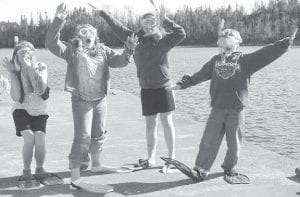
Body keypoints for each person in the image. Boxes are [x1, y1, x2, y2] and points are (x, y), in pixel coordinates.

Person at [171, 19, 297, 181]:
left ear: (237, 44)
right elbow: (199, 75)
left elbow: (266, 54)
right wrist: (183, 84)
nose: (224, 49)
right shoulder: (215, 60)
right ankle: (201, 169)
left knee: (234, 143)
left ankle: (229, 167)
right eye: (222, 45)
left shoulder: (246, 61)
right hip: (217, 109)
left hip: (236, 110)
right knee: (208, 141)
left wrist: (284, 43)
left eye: (228, 46)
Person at [45, 2, 138, 190]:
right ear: (79, 36)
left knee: (98, 134)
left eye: (91, 32)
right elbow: (50, 43)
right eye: (84, 32)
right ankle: (75, 178)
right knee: (82, 137)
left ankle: (96, 166)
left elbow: (120, 62)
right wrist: (59, 20)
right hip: (81, 100)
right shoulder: (71, 50)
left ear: (96, 36)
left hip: (100, 99)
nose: (88, 34)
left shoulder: (103, 50)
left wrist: (129, 50)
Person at [93, 4, 186, 173]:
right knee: (150, 125)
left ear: (156, 23)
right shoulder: (134, 38)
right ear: (141, 23)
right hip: (146, 89)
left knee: (167, 122)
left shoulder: (164, 39)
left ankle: (171, 159)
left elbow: (181, 33)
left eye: (152, 21)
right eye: (145, 21)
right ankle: (151, 158)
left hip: (164, 88)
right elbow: (116, 26)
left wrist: (166, 20)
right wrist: (104, 13)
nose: (149, 24)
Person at [2, 41, 51, 186]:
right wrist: (12, 73)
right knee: (29, 138)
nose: (25, 56)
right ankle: (26, 170)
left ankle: (40, 168)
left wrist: (29, 68)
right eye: (21, 53)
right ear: (15, 57)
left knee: (40, 139)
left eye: (28, 53)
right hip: (21, 109)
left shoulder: (41, 67)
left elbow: (41, 90)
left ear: (33, 55)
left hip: (40, 110)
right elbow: (16, 97)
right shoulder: (15, 70)